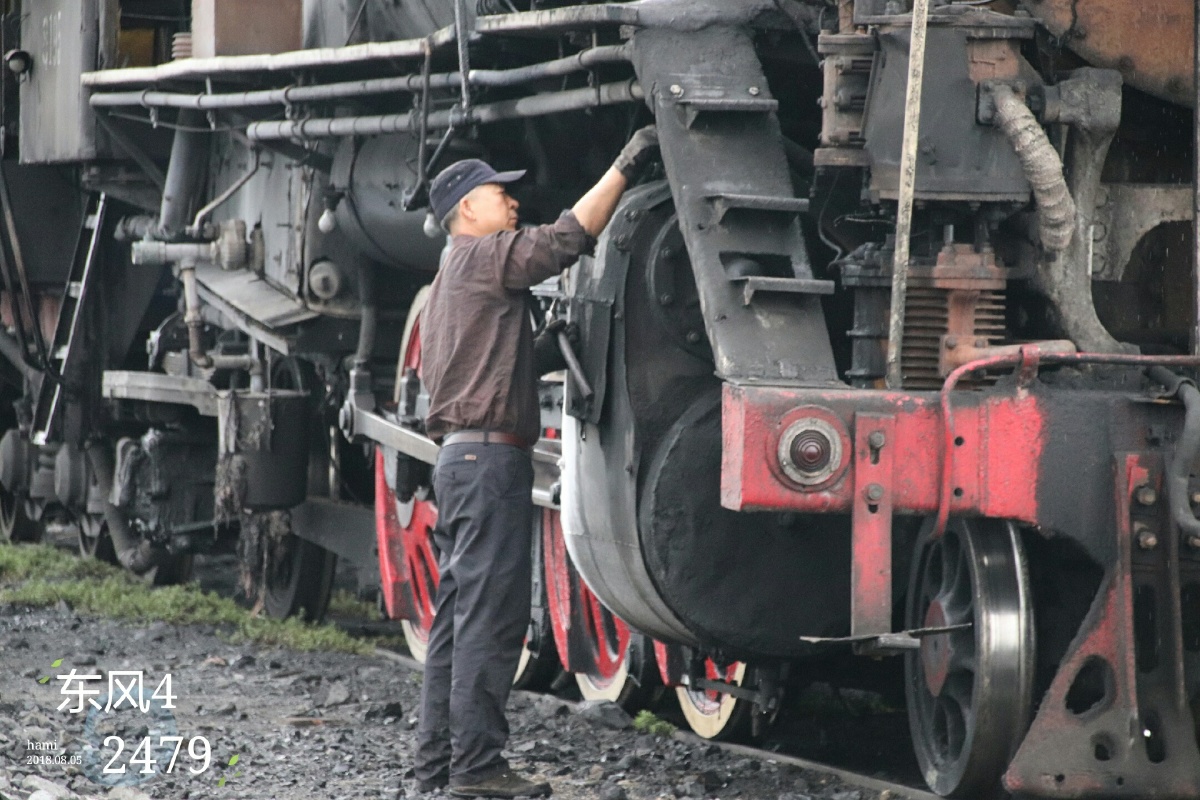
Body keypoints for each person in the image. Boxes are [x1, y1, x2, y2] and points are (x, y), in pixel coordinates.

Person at [412, 126, 659, 799]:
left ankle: (436, 769)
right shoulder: (484, 255)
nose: (513, 202)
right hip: (489, 467)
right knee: (491, 622)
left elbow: (480, 372)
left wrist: (541, 350)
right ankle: (477, 769)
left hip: (460, 463)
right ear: (467, 208)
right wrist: (626, 163)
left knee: (453, 623)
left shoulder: (446, 282)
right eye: (500, 193)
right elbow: (565, 240)